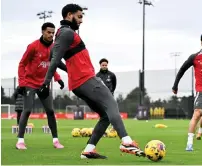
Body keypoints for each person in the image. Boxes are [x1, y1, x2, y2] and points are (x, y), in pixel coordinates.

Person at [40, 4, 145, 159]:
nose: (81, 20)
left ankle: (88, 150)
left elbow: (51, 56)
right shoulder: (66, 33)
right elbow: (54, 59)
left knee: (105, 116)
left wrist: (70, 71)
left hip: (79, 82)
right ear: (69, 15)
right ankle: (126, 141)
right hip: (86, 80)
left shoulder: (63, 34)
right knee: (112, 104)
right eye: (79, 16)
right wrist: (46, 82)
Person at [16, 22, 65, 150]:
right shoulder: (33, 46)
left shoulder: (54, 47)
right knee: (26, 110)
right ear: (42, 32)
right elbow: (22, 64)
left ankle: (56, 141)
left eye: (53, 33)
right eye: (48, 32)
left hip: (44, 84)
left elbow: (53, 65)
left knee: (50, 111)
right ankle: (20, 141)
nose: (51, 35)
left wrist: (58, 79)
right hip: (30, 83)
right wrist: (22, 83)